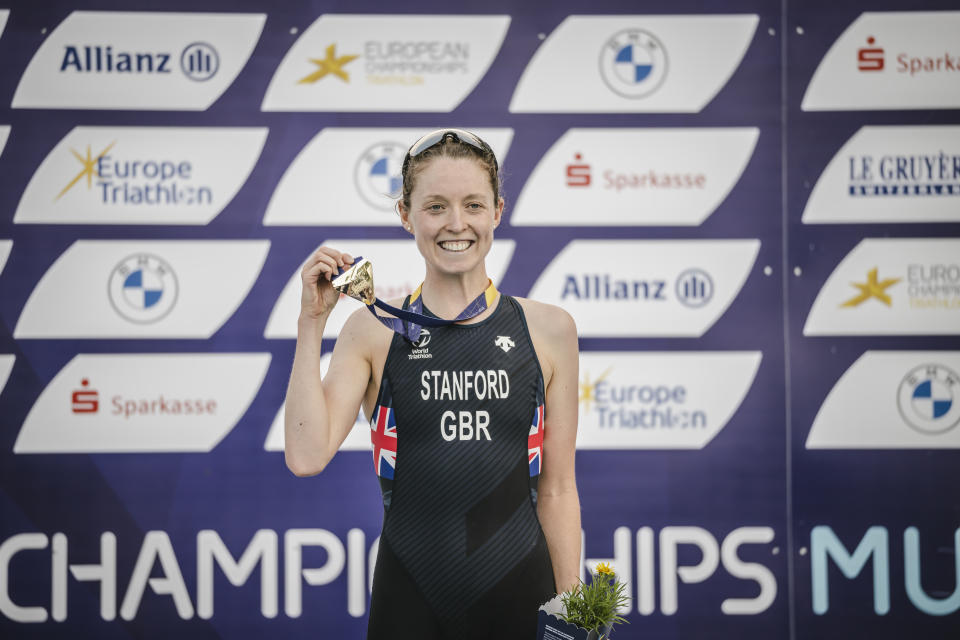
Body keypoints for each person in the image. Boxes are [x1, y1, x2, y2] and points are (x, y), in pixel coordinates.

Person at [284, 129, 581, 639]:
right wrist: (311, 324)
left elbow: (556, 489)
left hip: (520, 596)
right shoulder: (374, 330)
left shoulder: (549, 330)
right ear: (405, 214)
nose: (457, 224)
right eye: (436, 206)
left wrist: (572, 611)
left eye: (473, 204)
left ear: (497, 211)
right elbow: (306, 456)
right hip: (410, 603)